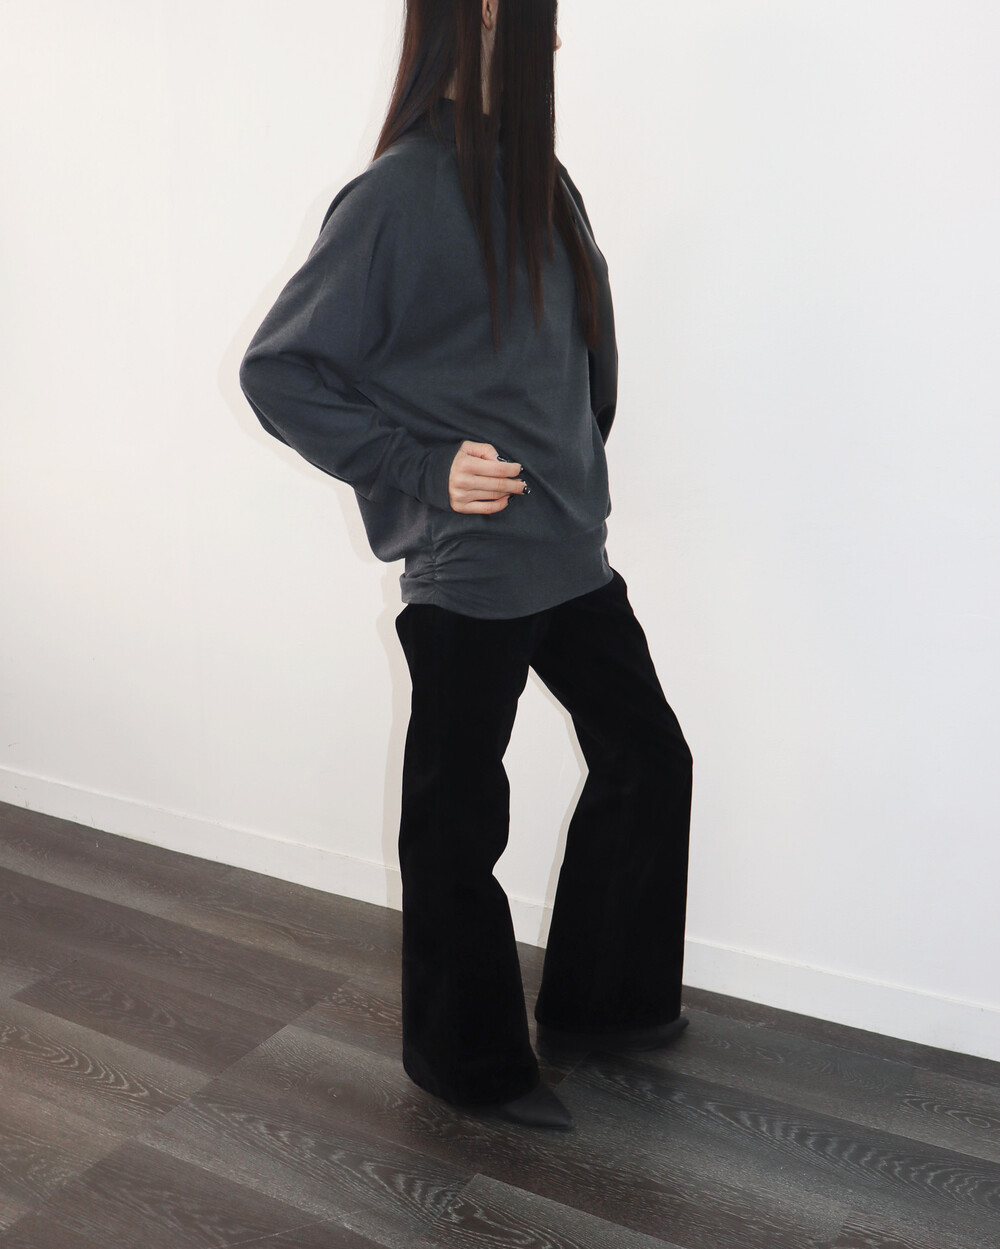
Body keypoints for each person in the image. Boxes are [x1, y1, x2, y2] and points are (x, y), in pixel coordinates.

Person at [239, 0, 693, 1131]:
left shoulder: (541, 178)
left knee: (650, 759)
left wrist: (578, 466)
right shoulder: (398, 193)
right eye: (541, 17)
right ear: (483, 14)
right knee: (456, 825)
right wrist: (424, 468)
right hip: (473, 574)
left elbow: (576, 355)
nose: (555, 39)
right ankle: (468, 1062)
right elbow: (278, 371)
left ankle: (601, 1003)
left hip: (569, 553)